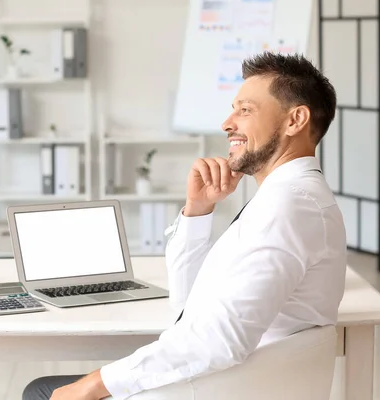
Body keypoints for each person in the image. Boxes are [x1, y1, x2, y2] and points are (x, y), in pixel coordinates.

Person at [22, 52, 346, 400]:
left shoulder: (288, 205)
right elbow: (188, 311)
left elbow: (219, 341)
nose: (227, 123)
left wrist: (95, 383)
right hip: (231, 380)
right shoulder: (291, 197)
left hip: (217, 387)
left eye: (245, 110)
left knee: (42, 391)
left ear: (295, 120)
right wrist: (197, 211)